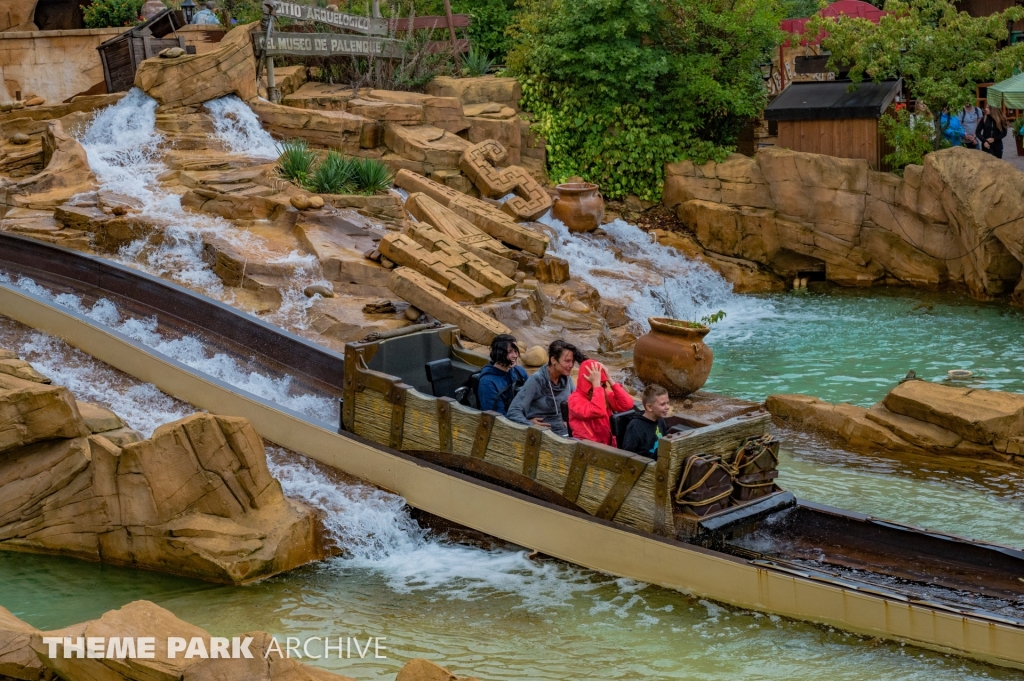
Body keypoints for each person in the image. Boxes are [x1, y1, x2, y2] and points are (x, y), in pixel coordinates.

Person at [507, 340, 583, 437]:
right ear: (553, 360)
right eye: (567, 361)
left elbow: (578, 405)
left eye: (572, 361)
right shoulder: (537, 380)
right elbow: (513, 412)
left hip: (567, 433)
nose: (571, 365)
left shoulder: (567, 380)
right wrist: (530, 424)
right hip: (544, 437)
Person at [566, 359, 635, 446]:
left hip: (607, 445)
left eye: (602, 384)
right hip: (587, 447)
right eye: (598, 383)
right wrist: (596, 385)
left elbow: (627, 404)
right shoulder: (574, 399)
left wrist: (610, 379)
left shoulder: (603, 393)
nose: (601, 387)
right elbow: (598, 410)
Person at [476, 334, 527, 416]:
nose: (515, 355)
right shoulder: (488, 383)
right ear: (499, 353)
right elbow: (498, 419)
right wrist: (528, 422)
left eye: (515, 351)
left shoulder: (519, 372)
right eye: (510, 352)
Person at [621, 384, 671, 459]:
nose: (667, 407)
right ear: (649, 407)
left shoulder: (661, 421)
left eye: (668, 403)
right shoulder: (635, 427)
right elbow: (627, 455)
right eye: (663, 404)